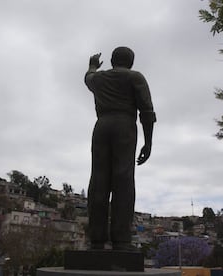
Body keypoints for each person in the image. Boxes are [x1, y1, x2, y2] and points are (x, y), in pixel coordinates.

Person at [84, 46, 156, 250]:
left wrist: (92, 65)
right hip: (125, 126)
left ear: (113, 60)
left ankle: (96, 240)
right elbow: (147, 111)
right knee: (123, 180)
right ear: (131, 62)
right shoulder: (135, 77)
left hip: (102, 126)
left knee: (98, 180)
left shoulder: (99, 79)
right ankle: (121, 239)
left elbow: (88, 77)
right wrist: (148, 142)